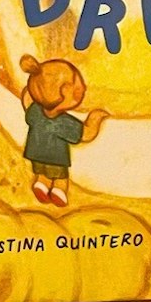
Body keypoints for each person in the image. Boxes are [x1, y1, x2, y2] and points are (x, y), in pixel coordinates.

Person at [20, 55, 108, 206]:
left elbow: (26, 99)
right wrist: (95, 118)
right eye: (79, 87)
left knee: (42, 172)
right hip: (56, 158)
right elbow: (86, 134)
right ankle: (59, 191)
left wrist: (35, 84)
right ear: (67, 93)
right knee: (60, 177)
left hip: (36, 154)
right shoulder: (64, 123)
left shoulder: (35, 112)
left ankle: (41, 184)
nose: (83, 88)